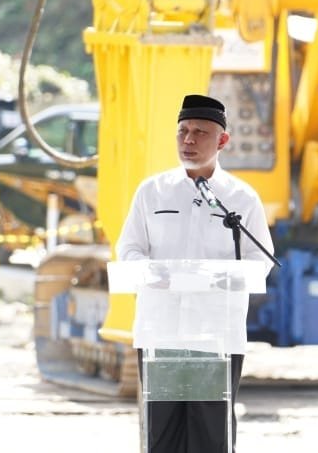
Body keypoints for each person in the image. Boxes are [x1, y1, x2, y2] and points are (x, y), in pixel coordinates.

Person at [116, 94, 275, 453]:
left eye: (200, 132)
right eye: (183, 131)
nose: (188, 140)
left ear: (222, 141)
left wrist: (220, 278)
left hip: (215, 337)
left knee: (210, 437)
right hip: (163, 334)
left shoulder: (241, 198)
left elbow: (260, 260)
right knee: (163, 435)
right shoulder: (152, 192)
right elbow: (129, 249)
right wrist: (149, 272)